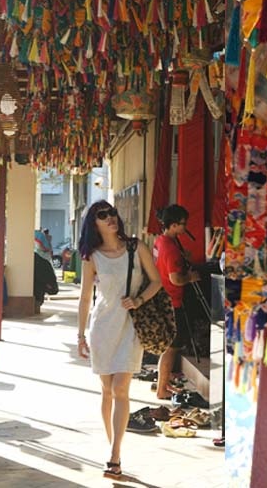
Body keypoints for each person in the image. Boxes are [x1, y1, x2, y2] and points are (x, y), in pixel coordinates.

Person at [76, 201, 162, 479]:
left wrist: (138, 299)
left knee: (121, 388)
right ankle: (112, 443)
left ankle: (115, 455)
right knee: (107, 390)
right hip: (102, 327)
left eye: (112, 213)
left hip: (130, 327)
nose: (110, 218)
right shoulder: (92, 257)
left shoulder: (137, 248)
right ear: (94, 224)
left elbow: (157, 281)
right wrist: (80, 335)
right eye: (103, 215)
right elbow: (86, 297)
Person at [153, 204, 201, 400]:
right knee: (172, 348)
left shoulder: (160, 241)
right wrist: (190, 277)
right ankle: (162, 388)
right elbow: (176, 279)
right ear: (173, 225)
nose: (184, 228)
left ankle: (164, 382)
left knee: (168, 347)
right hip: (173, 302)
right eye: (182, 224)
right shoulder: (171, 248)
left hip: (163, 299)